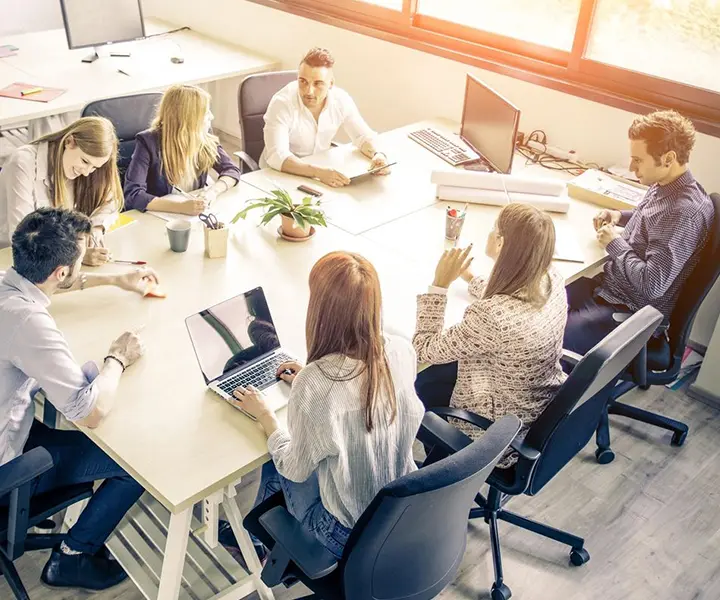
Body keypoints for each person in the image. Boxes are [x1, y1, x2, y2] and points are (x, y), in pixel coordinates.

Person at [225, 251, 424, 559]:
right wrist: (313, 381)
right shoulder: (400, 350)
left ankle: (257, 544)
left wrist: (266, 416)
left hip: (344, 533)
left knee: (274, 453)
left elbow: (295, 467)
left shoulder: (317, 383)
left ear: (320, 310)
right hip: (400, 515)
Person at [0, 207, 159, 591]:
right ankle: (72, 557)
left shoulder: (9, 282)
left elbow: (52, 283)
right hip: (8, 469)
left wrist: (116, 279)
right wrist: (117, 358)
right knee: (138, 464)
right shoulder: (26, 323)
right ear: (61, 271)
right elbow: (90, 411)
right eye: (78, 259)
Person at [413, 204, 567, 466]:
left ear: (501, 242)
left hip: (494, 432)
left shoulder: (491, 317)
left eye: (493, 228)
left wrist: (439, 285)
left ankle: (442, 473)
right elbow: (513, 301)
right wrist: (470, 277)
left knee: (413, 381)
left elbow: (423, 347)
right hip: (534, 408)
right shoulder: (551, 278)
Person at [564, 110, 715, 355]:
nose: (632, 167)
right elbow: (652, 218)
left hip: (629, 311)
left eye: (638, 160)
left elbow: (652, 283)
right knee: (533, 303)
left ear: (668, 158)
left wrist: (614, 243)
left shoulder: (684, 213)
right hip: (609, 289)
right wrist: (618, 215)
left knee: (546, 340)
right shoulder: (667, 184)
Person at [0, 116, 123, 265]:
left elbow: (111, 203)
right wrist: (77, 255)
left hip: (56, 260)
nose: (86, 172)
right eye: (85, 161)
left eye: (95, 167)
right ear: (69, 142)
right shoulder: (22, 163)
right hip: (13, 260)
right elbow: (24, 237)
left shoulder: (87, 169)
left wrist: (95, 228)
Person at [260, 47, 390, 187]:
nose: (309, 91)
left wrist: (378, 154)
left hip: (320, 173)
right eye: (303, 81)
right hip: (279, 176)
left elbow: (363, 136)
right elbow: (277, 156)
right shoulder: (282, 103)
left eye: (318, 84)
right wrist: (319, 173)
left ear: (331, 84)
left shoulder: (340, 100)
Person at [124, 84, 242, 215]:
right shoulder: (148, 142)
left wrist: (212, 192)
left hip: (193, 215)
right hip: (159, 215)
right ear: (189, 118)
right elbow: (133, 194)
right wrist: (181, 207)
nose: (211, 116)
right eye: (206, 112)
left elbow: (232, 170)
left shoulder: (204, 138)